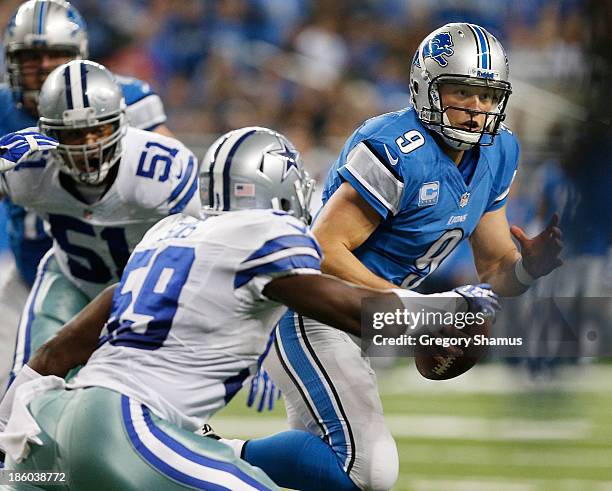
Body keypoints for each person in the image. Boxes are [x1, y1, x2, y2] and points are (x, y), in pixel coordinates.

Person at [0, 127, 499, 490]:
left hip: (56, 424)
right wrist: (438, 311)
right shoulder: (263, 232)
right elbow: (347, 309)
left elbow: (64, 343)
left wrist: (20, 398)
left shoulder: (168, 233)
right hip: (128, 427)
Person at [257, 23, 564, 491]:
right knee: (370, 470)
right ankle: (218, 452)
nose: (477, 109)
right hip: (316, 309)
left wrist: (526, 268)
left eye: (487, 96)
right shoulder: (397, 147)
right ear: (427, 88)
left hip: (370, 317)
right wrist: (412, 311)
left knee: (325, 473)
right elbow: (321, 251)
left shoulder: (499, 151)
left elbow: (494, 270)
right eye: (462, 92)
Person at [0, 0, 172, 390]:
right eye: (31, 57)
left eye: (56, 55)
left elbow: (170, 176)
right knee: (12, 400)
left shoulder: (125, 98)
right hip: (33, 277)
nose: (44, 66)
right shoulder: (1, 109)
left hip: (117, 278)